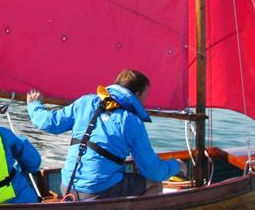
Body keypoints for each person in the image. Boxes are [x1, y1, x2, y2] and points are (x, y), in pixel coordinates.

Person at [26, 69, 187, 201]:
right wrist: (178, 166)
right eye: (146, 95)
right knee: (155, 184)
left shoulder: (85, 102)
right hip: (98, 191)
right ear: (137, 94)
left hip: (66, 186)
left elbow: (49, 123)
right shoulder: (131, 121)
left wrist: (34, 105)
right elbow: (153, 171)